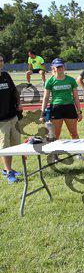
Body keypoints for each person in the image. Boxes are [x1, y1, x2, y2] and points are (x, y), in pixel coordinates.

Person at [39, 59, 84, 159]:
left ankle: (78, 154)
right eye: (57, 67)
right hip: (56, 109)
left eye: (61, 66)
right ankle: (55, 156)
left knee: (74, 133)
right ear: (53, 68)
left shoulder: (71, 80)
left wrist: (79, 111)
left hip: (69, 108)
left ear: (64, 67)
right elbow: (46, 98)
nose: (60, 68)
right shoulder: (50, 81)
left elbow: (76, 97)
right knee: (56, 135)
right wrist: (42, 113)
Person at [0, 53, 22, 184]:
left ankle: (6, 168)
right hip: (1, 120)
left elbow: (14, 91)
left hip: (12, 116)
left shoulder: (6, 76)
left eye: (1, 60)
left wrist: (18, 103)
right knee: (5, 146)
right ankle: (9, 173)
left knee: (14, 143)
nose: (0, 62)